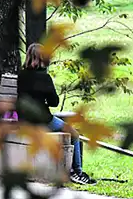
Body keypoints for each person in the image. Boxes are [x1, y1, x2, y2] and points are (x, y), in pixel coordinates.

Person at [18, 42, 93, 185]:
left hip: (24, 121)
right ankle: (77, 171)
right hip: (43, 121)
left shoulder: (22, 76)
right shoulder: (45, 78)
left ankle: (74, 171)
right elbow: (54, 102)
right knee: (74, 133)